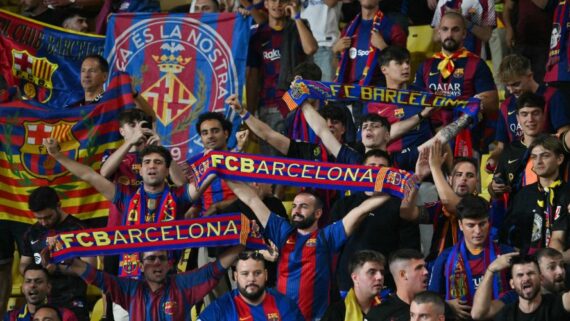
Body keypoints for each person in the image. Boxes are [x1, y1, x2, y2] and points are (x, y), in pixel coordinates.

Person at [226, 180, 392, 320]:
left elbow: (361, 210)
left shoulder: (327, 236)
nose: (296, 210)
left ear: (318, 213)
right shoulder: (283, 232)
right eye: (295, 205)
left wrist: (394, 189)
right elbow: (251, 199)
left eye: (303, 206)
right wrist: (220, 170)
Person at [53, 247, 243, 321]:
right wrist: (64, 257)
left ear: (170, 264)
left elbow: (215, 269)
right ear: (141, 265)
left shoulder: (183, 284)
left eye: (161, 258)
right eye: (150, 259)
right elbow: (97, 277)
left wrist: (243, 243)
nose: (157, 263)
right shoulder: (130, 289)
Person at [331, 149, 425, 293]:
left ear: (390, 173)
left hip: (385, 286)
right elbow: (331, 244)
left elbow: (409, 251)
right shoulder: (343, 204)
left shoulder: (401, 208)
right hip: (347, 284)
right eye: (371, 166)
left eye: (382, 167)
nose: (376, 171)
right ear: (362, 170)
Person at [414, 11, 498, 157]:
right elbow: (415, 101)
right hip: (430, 141)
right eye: (445, 29)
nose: (450, 34)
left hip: (467, 140)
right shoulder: (426, 65)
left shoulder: (477, 64)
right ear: (439, 32)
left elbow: (492, 102)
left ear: (464, 34)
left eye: (455, 29)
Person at [246, 0, 317, 155]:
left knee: (298, 161)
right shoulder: (258, 36)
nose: (277, 4)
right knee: (272, 166)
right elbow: (252, 78)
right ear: (265, 4)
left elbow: (310, 49)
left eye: (282, 0)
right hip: (268, 106)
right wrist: (250, 116)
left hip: (297, 104)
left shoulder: (299, 26)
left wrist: (296, 17)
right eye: (273, 0)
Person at [428, 195, 514, 320]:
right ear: (461, 225)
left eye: (482, 224)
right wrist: (446, 304)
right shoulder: (446, 258)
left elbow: (522, 291)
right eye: (471, 225)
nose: (478, 231)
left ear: (489, 222)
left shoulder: (505, 253)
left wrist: (499, 304)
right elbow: (431, 298)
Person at [18, 187, 95, 321]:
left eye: (48, 217)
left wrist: (58, 269)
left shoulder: (80, 230)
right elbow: (24, 263)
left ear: (59, 206)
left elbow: (90, 268)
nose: (43, 223)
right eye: (39, 218)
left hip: (72, 302)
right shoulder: (31, 232)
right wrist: (35, 273)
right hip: (40, 305)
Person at [489, 54, 570, 170]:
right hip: (517, 169)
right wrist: (493, 158)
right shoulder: (506, 105)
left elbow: (565, 135)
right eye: (507, 86)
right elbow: (501, 146)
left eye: (516, 84)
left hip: (549, 166)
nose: (511, 90)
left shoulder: (553, 97)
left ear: (530, 76)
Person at [369, 46, 435, 171]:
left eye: (407, 62)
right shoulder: (375, 101)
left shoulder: (423, 95)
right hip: (392, 166)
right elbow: (375, 139)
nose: (406, 67)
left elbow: (438, 130)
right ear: (384, 69)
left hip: (426, 163)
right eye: (399, 63)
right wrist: (421, 116)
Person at [504, 134, 568, 254]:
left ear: (559, 159)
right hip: (527, 267)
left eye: (545, 156)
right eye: (534, 157)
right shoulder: (522, 195)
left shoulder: (568, 193)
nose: (538, 162)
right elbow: (511, 239)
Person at [197, 251, 304, 321]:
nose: (251, 279)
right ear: (236, 276)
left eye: (257, 273)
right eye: (245, 274)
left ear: (266, 275)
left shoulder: (285, 305)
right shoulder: (220, 308)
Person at [471, 254, 570, 320]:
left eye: (530, 273)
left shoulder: (559, 303)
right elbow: (477, 314)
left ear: (541, 278)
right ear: (512, 284)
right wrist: (490, 270)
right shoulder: (505, 315)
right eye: (520, 275)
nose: (526, 278)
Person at [332, 0, 406, 85]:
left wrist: (383, 47)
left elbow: (402, 66)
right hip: (350, 93)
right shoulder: (348, 29)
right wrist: (335, 51)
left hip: (378, 92)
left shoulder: (393, 29)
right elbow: (338, 68)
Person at [367, 249, 441, 321]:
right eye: (419, 268)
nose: (426, 272)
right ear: (403, 275)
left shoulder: (437, 305)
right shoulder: (379, 315)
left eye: (424, 266)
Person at [321, 250, 387, 321]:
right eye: (372, 272)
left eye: (382, 272)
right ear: (355, 278)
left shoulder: (389, 310)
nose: (380, 277)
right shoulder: (336, 313)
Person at [3, 264, 77, 321]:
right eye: (28, 281)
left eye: (38, 282)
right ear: (22, 288)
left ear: (48, 287)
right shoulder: (11, 318)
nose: (32, 285)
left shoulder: (65, 316)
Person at [503, 0, 553, 82]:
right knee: (516, 76)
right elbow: (507, 9)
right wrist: (509, 29)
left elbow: (544, 5)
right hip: (520, 41)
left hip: (543, 43)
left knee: (539, 80)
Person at [431, 0, 495, 57]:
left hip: (475, 59)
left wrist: (465, 22)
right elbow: (435, 37)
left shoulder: (486, 1)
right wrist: (448, 18)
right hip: (447, 61)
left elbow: (487, 35)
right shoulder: (443, 1)